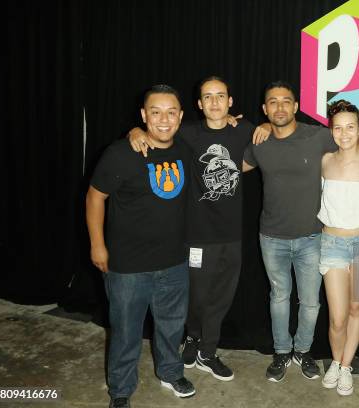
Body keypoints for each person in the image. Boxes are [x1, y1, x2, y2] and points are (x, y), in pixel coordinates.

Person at [127, 76, 269, 382]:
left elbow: (262, 143)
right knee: (197, 296)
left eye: (221, 96)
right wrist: (134, 130)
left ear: (231, 102)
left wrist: (267, 127)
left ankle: (208, 350)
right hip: (197, 234)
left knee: (223, 296)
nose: (215, 102)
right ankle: (192, 337)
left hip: (231, 234)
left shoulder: (243, 129)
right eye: (208, 97)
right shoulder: (188, 132)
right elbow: (155, 131)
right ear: (199, 103)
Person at [242, 81, 359, 382]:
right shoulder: (259, 140)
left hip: (312, 237)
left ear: (295, 106)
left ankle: (303, 351)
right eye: (273, 102)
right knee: (279, 297)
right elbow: (233, 166)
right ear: (265, 109)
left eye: (286, 101)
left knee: (310, 302)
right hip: (271, 236)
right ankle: (282, 352)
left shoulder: (318, 136)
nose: (280, 107)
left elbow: (351, 139)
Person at [86, 84, 196, 408]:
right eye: (156, 112)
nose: (164, 119)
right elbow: (95, 197)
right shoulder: (121, 152)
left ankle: (171, 373)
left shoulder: (185, 151)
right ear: (144, 115)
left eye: (171, 112)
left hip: (174, 262)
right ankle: (120, 390)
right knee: (125, 333)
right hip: (127, 266)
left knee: (172, 327)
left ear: (180, 117)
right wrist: (97, 245)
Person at [317, 100, 359, 396]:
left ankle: (346, 366)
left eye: (350, 127)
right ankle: (334, 360)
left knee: (357, 307)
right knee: (337, 316)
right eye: (338, 127)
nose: (344, 133)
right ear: (331, 130)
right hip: (332, 243)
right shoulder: (325, 161)